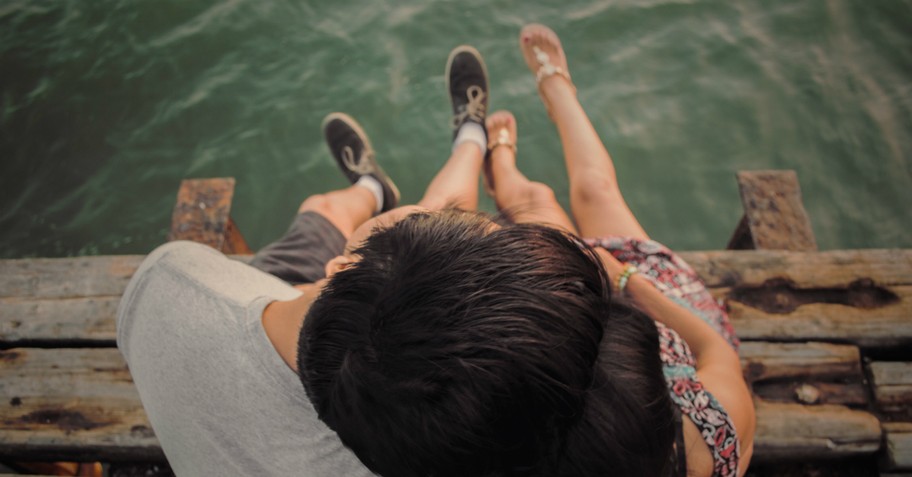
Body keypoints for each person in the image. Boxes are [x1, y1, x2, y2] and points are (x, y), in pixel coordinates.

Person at [117, 26, 754, 477]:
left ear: (337, 267)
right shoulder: (471, 434)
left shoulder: (168, 280)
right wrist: (629, 286)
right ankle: (477, 141)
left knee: (528, 204)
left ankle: (460, 148)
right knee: (548, 201)